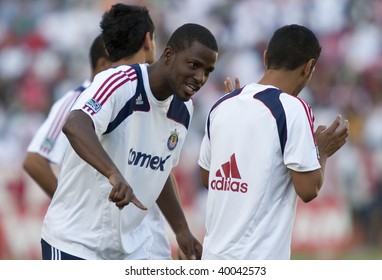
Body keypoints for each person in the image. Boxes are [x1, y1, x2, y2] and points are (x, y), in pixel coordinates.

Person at [40, 3, 219, 260]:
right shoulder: (122, 81)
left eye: (208, 71)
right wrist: (114, 173)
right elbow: (75, 123)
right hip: (75, 241)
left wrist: (181, 230)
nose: (200, 77)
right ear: (167, 54)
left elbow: (161, 169)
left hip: (127, 250)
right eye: (193, 65)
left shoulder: (184, 109)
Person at [25, 4, 176, 260]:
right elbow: (35, 160)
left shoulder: (158, 99)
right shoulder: (77, 99)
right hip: (90, 239)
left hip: (143, 240)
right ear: (148, 41)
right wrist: (72, 203)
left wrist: (180, 230)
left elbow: (162, 167)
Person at [198, 24, 349, 260]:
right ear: (309, 67)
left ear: (266, 57)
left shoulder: (222, 104)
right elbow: (309, 189)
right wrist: (322, 150)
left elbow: (207, 179)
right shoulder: (293, 108)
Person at [23, 34, 111, 198]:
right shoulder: (75, 101)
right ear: (103, 65)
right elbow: (35, 160)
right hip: (90, 218)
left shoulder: (126, 101)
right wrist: (67, 204)